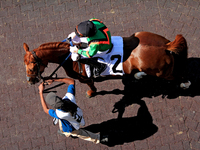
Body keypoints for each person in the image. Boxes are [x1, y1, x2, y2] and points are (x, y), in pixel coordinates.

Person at [38, 78, 101, 144]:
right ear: (59, 98)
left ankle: (98, 138)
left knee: (82, 134)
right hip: (76, 117)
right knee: (62, 121)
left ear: (54, 107)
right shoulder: (69, 98)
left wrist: (40, 92)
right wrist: (54, 79)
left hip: (71, 128)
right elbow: (71, 81)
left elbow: (46, 110)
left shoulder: (59, 114)